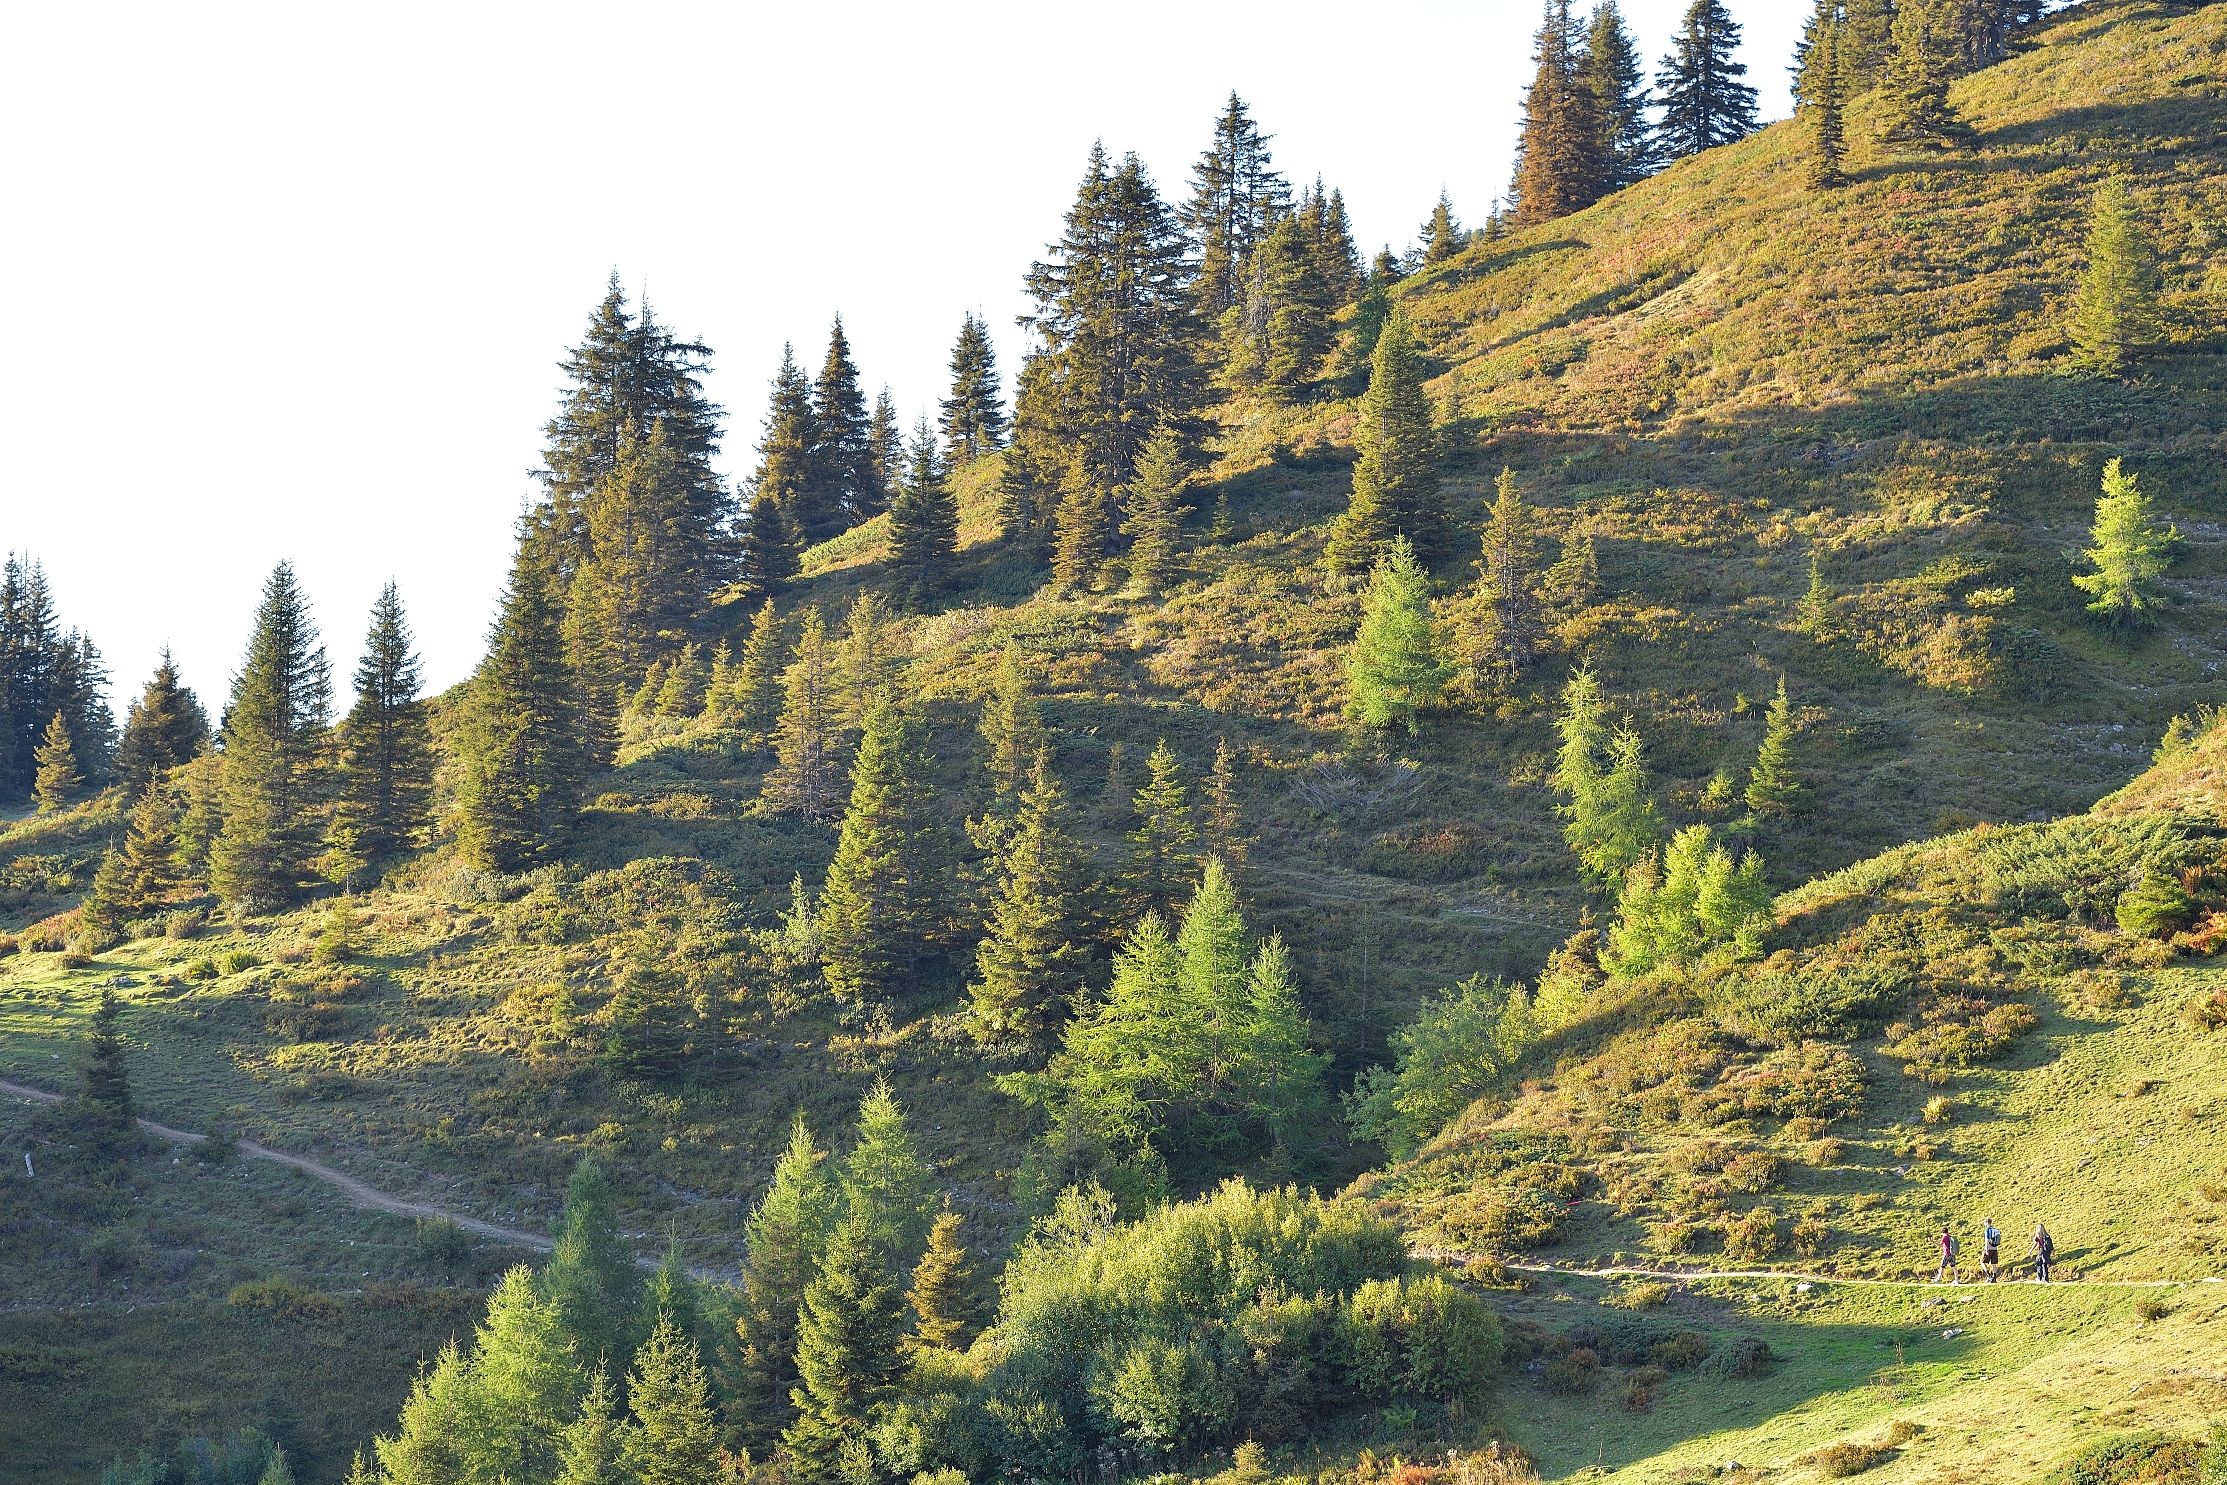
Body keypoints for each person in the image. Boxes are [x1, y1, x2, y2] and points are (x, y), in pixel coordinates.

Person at [1980, 1219, 2001, 1283]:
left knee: (1982, 1262)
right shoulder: (1995, 1229)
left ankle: (1989, 1276)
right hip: (1995, 1249)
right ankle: (1994, 1278)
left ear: (1986, 1223)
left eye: (1984, 1223)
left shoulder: (1987, 1230)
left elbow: (1987, 1240)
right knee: (1994, 1264)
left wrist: (1986, 1249)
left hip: (1988, 1248)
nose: (1984, 1224)